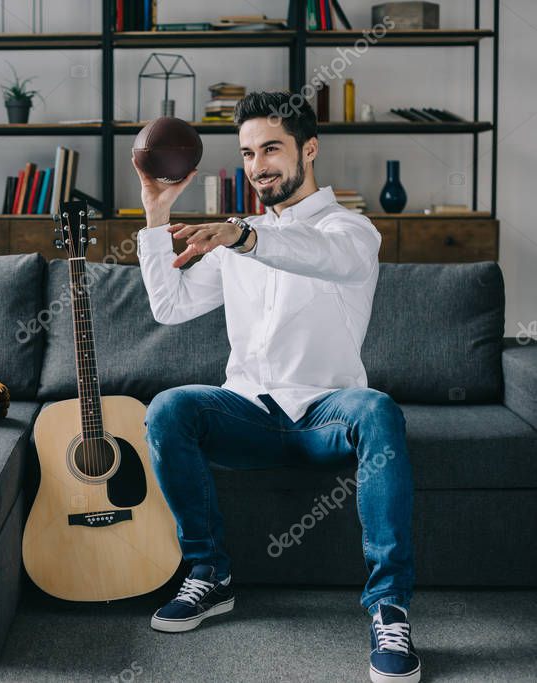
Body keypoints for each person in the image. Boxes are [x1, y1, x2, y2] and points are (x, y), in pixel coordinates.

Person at [134, 91, 420, 683]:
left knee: (379, 411)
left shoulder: (352, 231)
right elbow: (169, 306)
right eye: (246, 153)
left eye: (271, 148)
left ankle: (388, 608)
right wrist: (156, 213)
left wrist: (242, 238)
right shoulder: (239, 238)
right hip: (248, 413)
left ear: (308, 149)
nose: (258, 164)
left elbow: (316, 255)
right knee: (169, 409)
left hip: (326, 414)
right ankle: (210, 576)